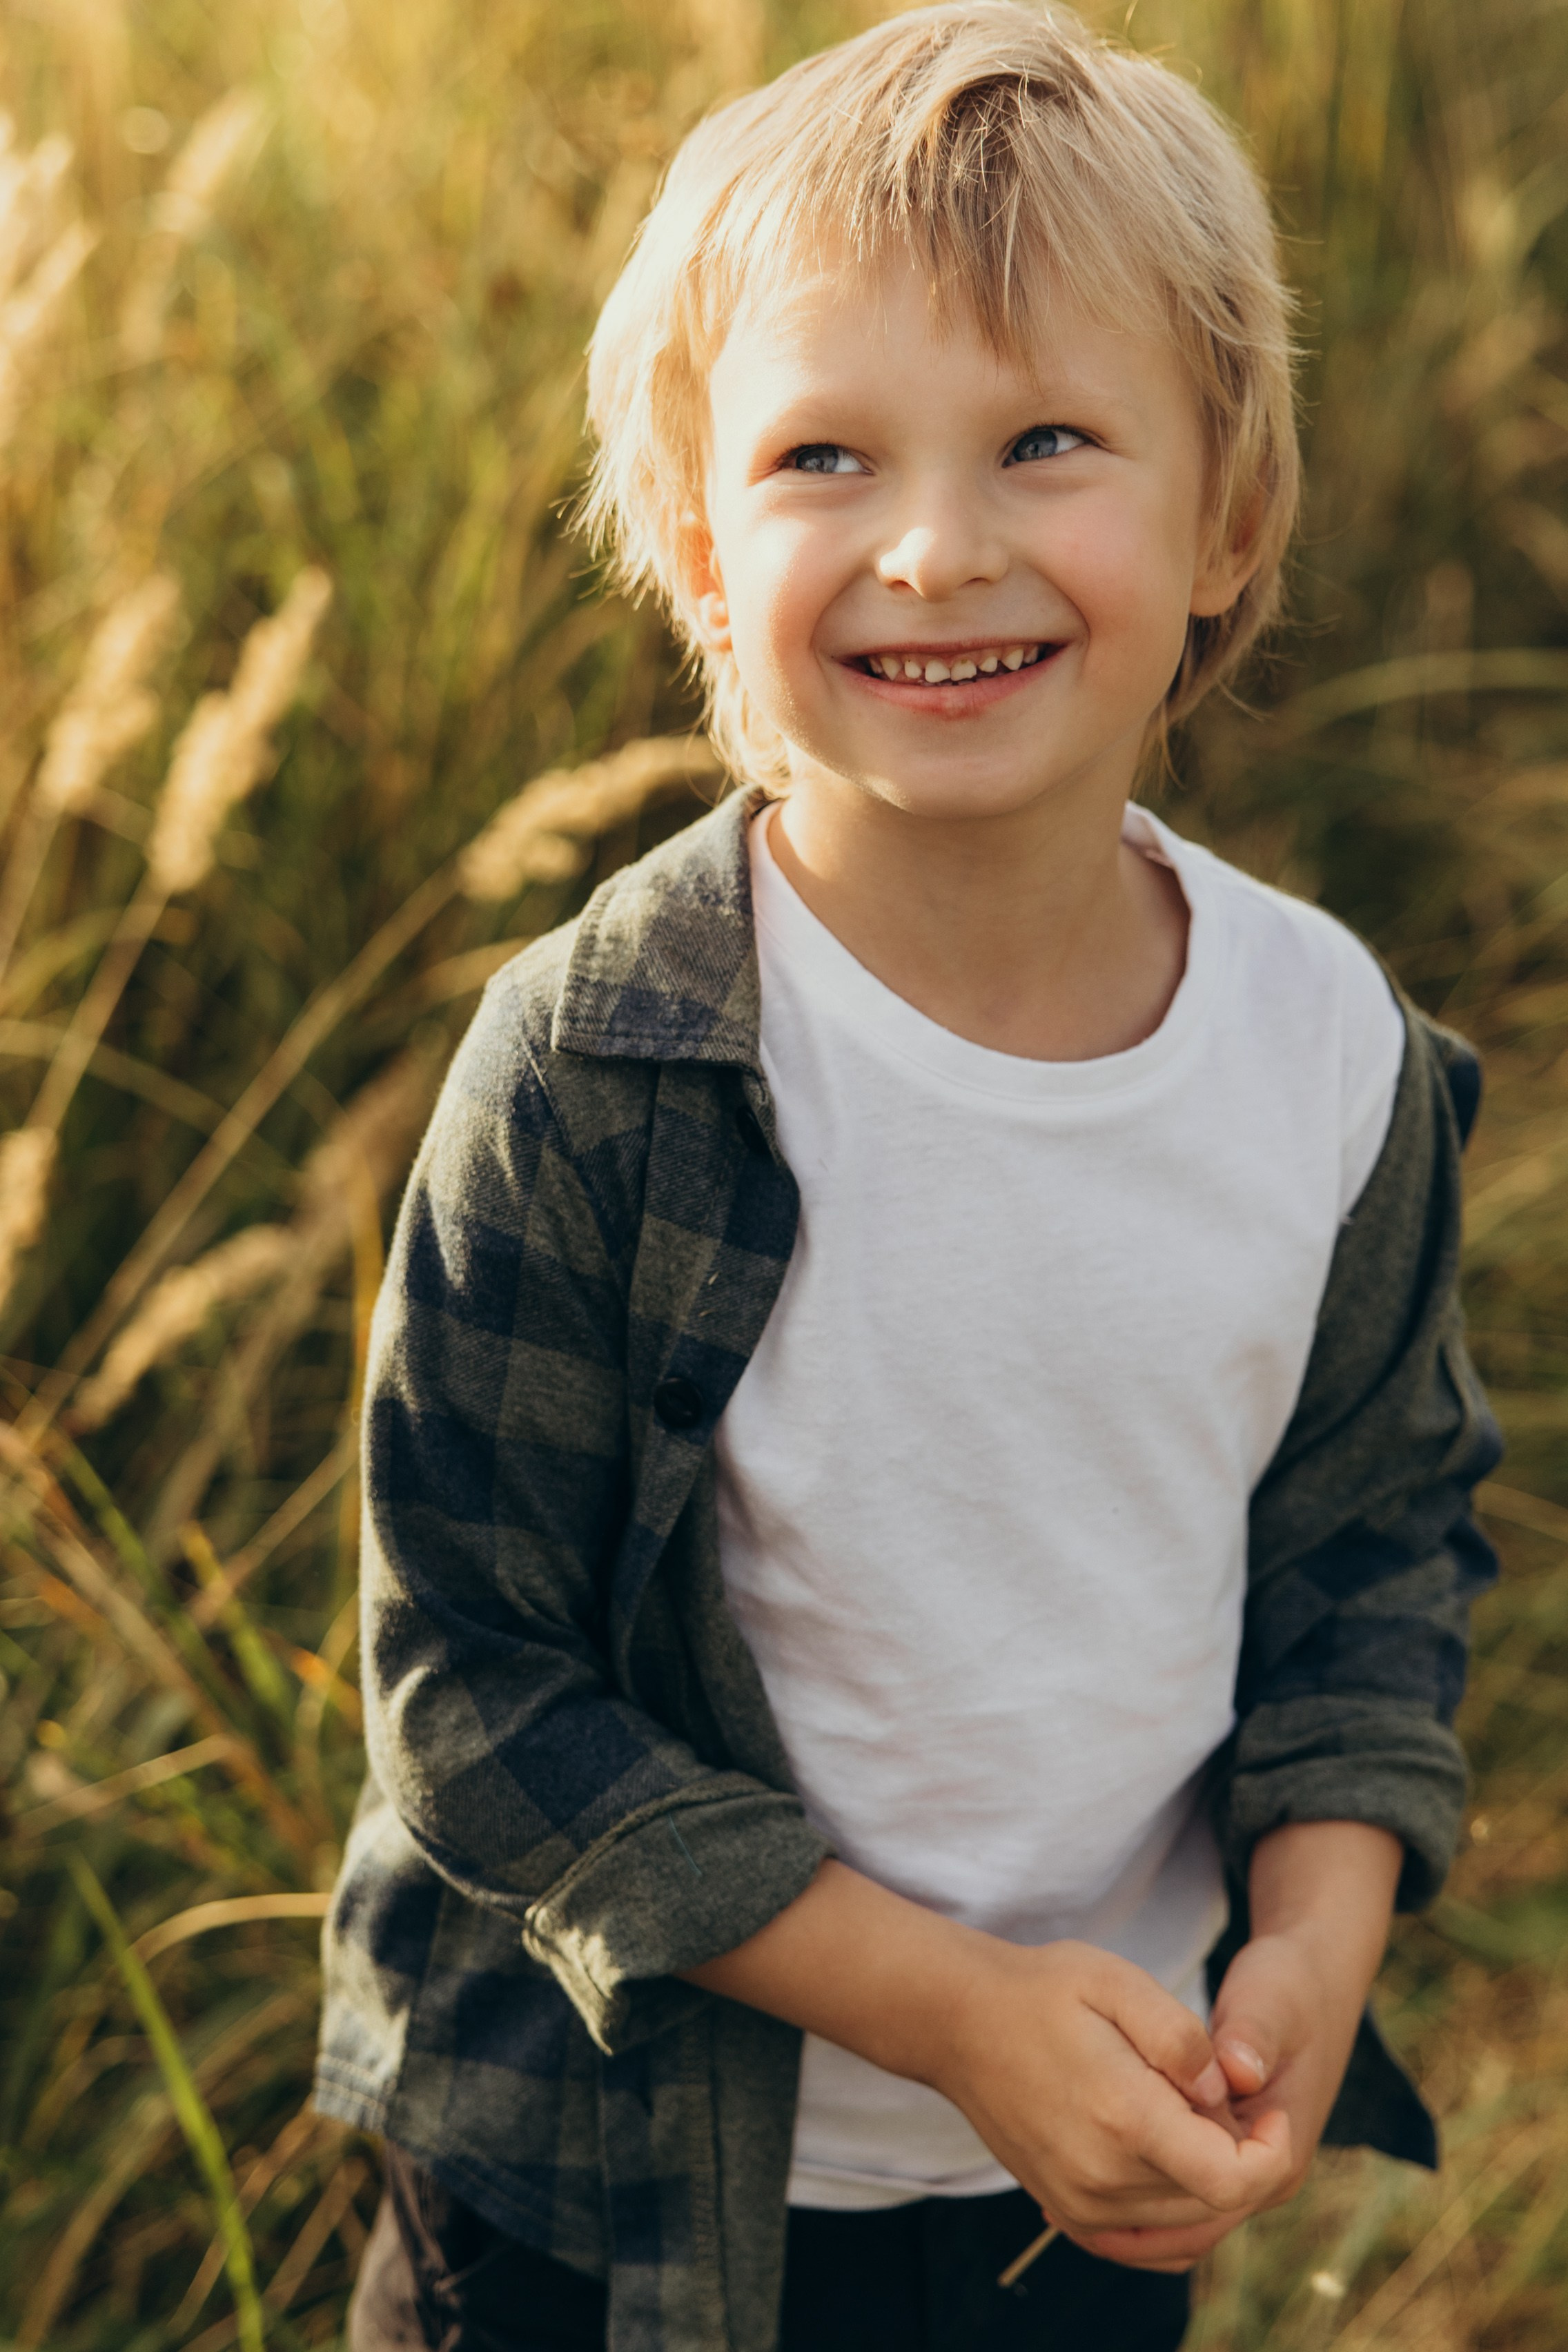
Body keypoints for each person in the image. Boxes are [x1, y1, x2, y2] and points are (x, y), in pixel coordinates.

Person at [316, 8, 1501, 2348]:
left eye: (1049, 439)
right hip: (598, 2190)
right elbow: (470, 1680)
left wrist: (1316, 1926)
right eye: (822, 457)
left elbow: (1370, 1536)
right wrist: (941, 2003)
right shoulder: (599, 1066)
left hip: (1080, 2182)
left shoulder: (1326, 1053)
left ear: (1227, 513)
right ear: (693, 531)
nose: (935, 547)